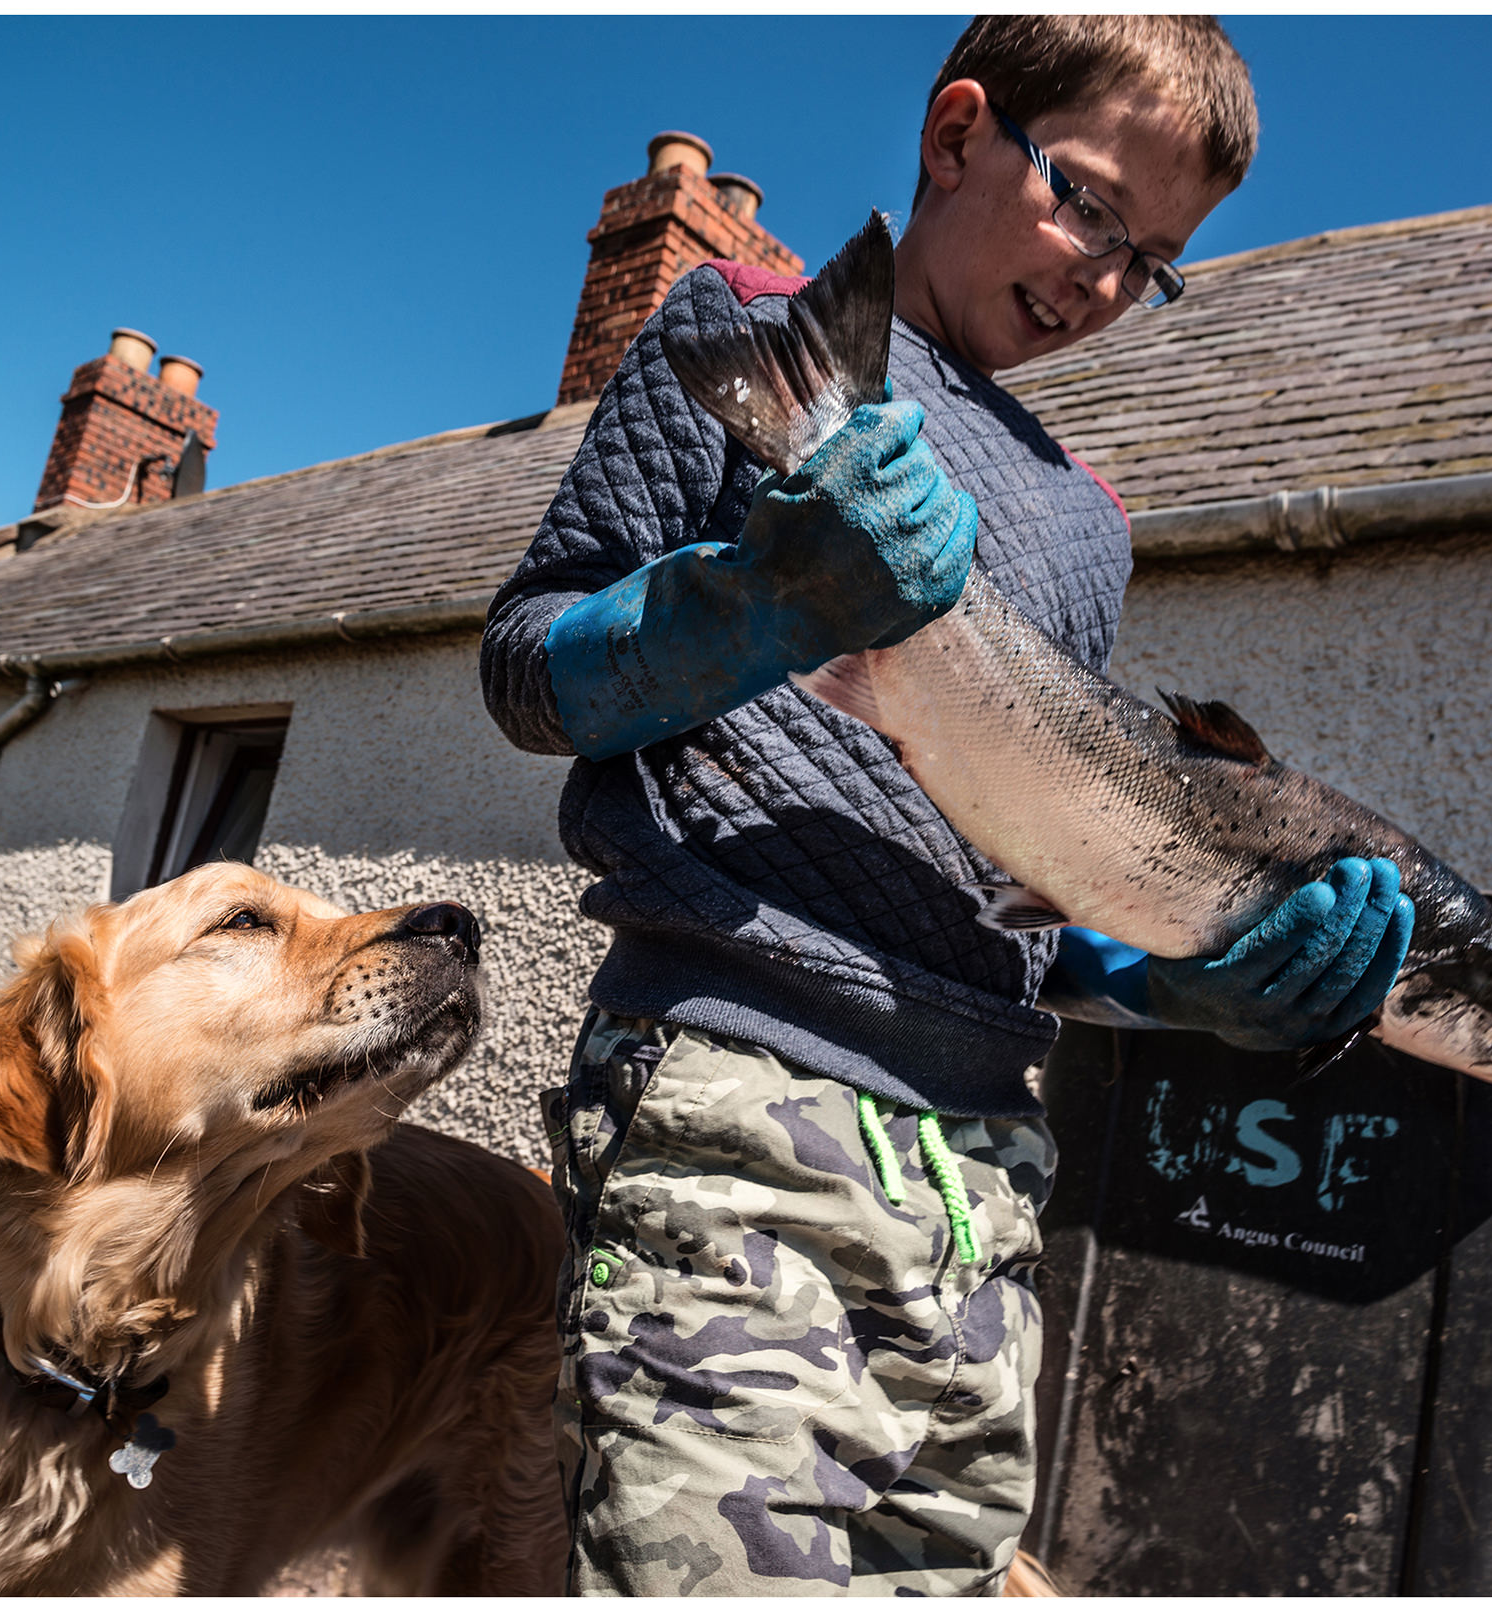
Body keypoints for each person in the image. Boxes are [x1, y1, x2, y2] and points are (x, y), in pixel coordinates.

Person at [480, 16, 1411, 1595]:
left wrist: (1185, 972)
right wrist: (746, 606)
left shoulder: (1089, 522)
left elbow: (1023, 855)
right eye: (1093, 208)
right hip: (731, 1084)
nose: (1110, 278)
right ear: (959, 131)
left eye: (1159, 262)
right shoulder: (747, 328)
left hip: (987, 1178)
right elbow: (525, 671)